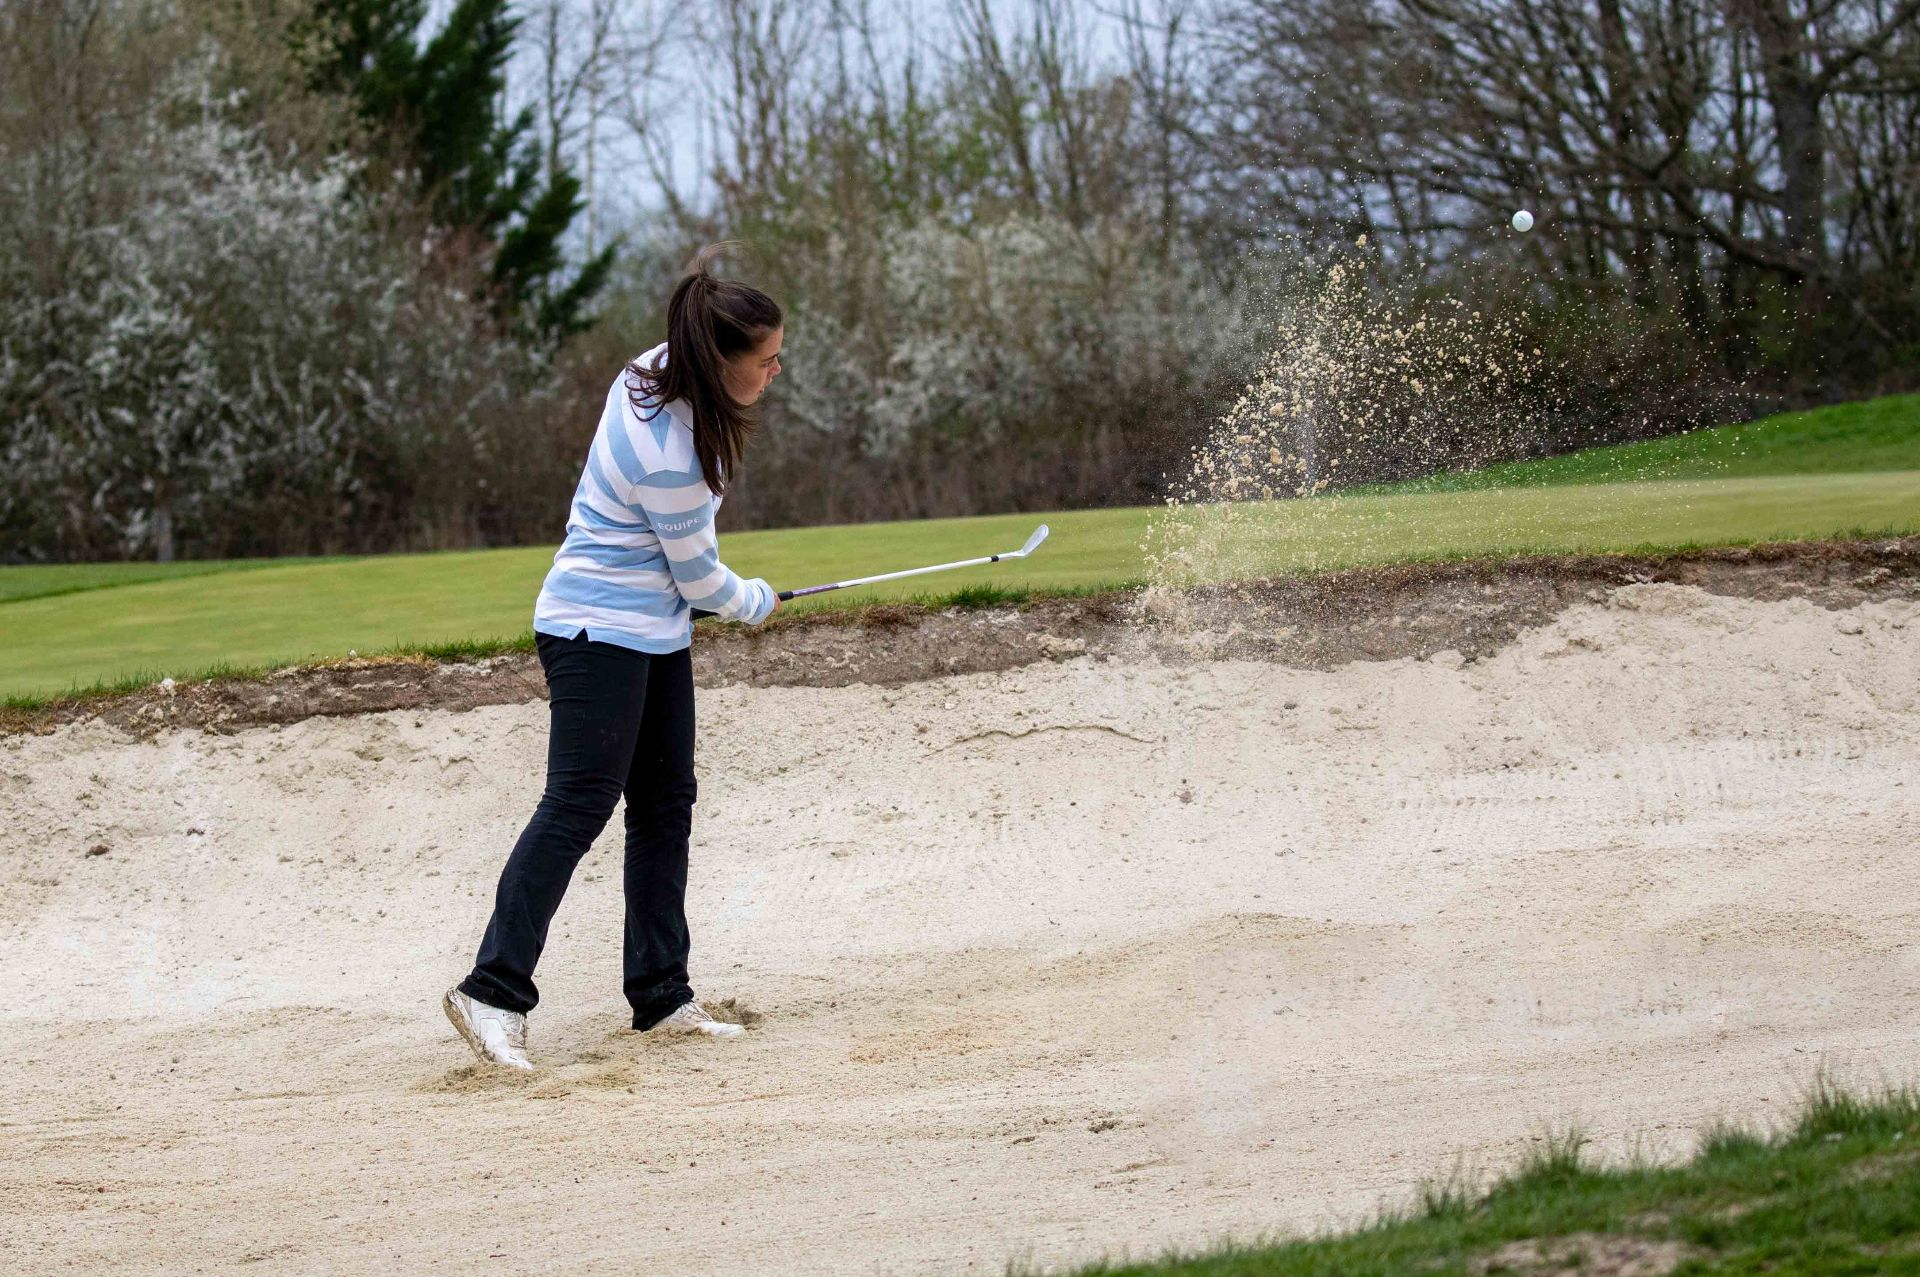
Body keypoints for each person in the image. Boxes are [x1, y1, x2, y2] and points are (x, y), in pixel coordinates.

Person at [444, 244, 784, 1070]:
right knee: (578, 804)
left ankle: (661, 994)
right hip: (594, 630)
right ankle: (492, 990)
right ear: (721, 362)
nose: (777, 371)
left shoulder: (659, 367)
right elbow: (700, 580)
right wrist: (753, 601)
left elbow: (681, 586)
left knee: (665, 803)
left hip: (653, 632)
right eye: (767, 360)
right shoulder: (668, 452)